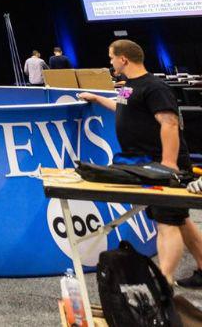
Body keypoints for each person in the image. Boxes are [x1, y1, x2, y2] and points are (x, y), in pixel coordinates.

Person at [78, 40, 202, 284]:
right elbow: (123, 109)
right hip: (144, 163)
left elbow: (169, 123)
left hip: (163, 165)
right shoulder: (128, 86)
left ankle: (163, 282)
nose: (110, 62)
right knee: (179, 219)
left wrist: (168, 164)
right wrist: (96, 98)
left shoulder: (154, 87)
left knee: (167, 222)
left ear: (123, 59)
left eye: (112, 57)